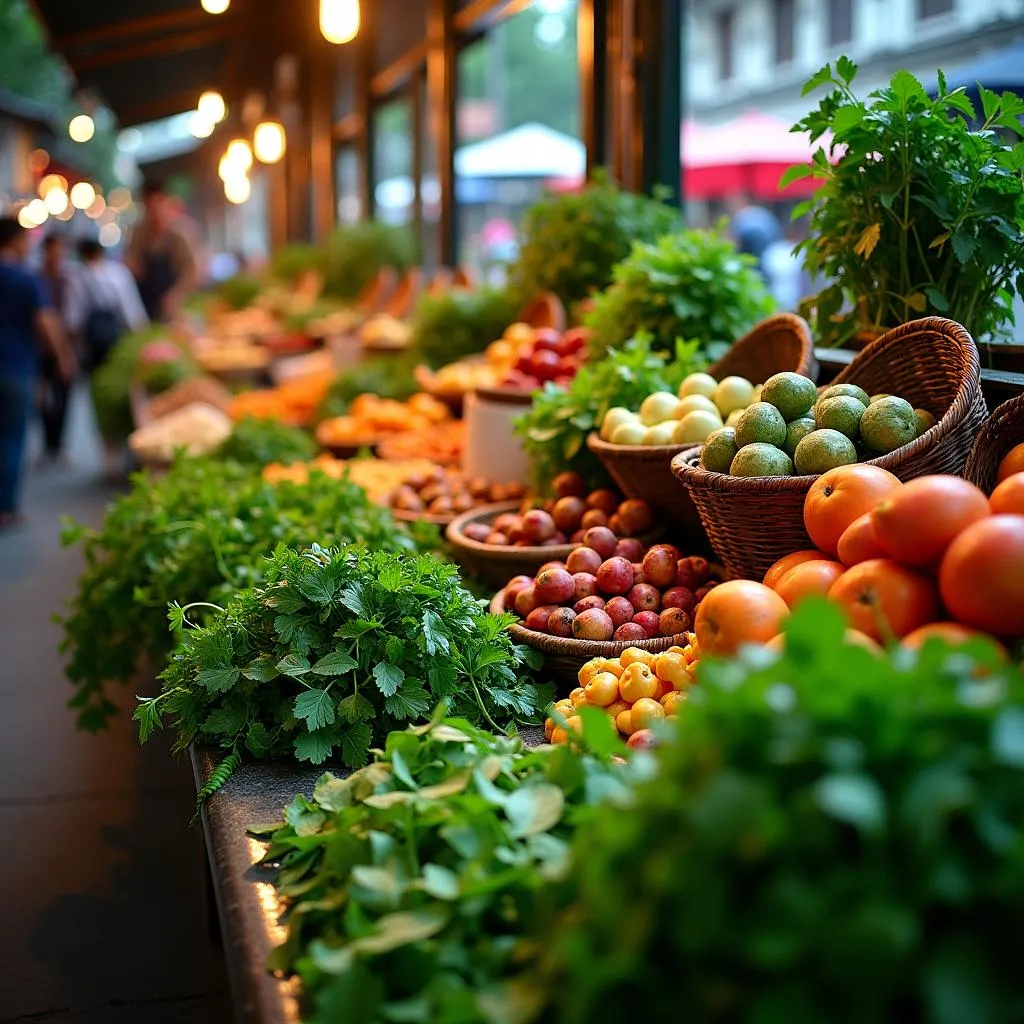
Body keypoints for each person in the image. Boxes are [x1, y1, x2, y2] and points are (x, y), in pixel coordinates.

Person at [0, 217, 74, 528]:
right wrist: (63, 356)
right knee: (13, 438)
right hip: (16, 369)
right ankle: (6, 509)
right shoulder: (25, 279)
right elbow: (47, 323)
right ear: (15, 240)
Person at [65, 237, 149, 372]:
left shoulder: (78, 277)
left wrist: (71, 348)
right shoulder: (118, 273)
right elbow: (131, 309)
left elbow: (73, 318)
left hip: (90, 342)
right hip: (116, 336)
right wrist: (140, 336)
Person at [125, 180, 196, 322]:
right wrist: (132, 266)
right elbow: (130, 262)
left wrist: (176, 295)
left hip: (172, 306)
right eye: (149, 206)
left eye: (157, 205)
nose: (154, 211)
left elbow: (190, 271)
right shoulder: (139, 233)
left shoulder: (177, 235)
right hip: (145, 305)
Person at [37, 234, 73, 465]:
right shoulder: (37, 278)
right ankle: (48, 445)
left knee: (64, 397)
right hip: (41, 349)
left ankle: (58, 445)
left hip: (66, 345)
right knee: (43, 399)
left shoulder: (70, 279)